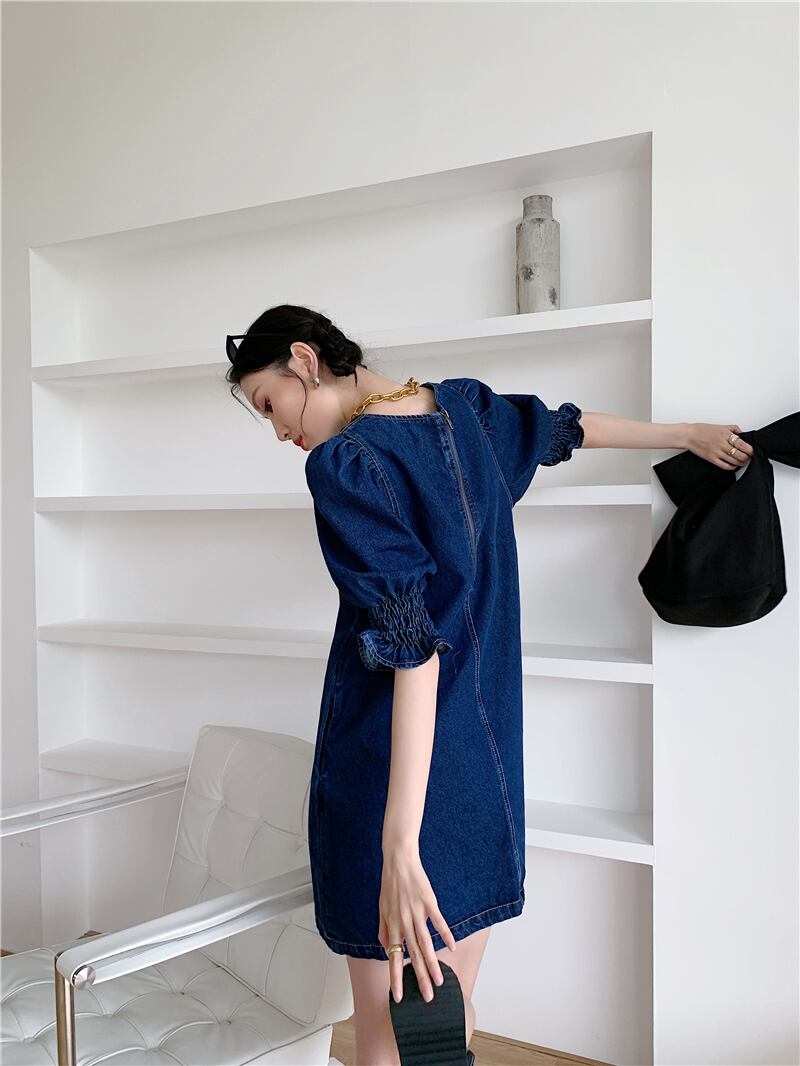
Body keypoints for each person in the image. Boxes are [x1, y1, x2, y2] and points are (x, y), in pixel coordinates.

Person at [226, 303, 754, 1066]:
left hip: (391, 778)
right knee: (450, 1018)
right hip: (482, 772)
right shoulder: (466, 414)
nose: (279, 431)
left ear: (304, 361)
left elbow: (413, 653)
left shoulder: (347, 466)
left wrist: (399, 843)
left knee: (383, 1043)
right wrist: (686, 434)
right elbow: (568, 430)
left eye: (270, 404)